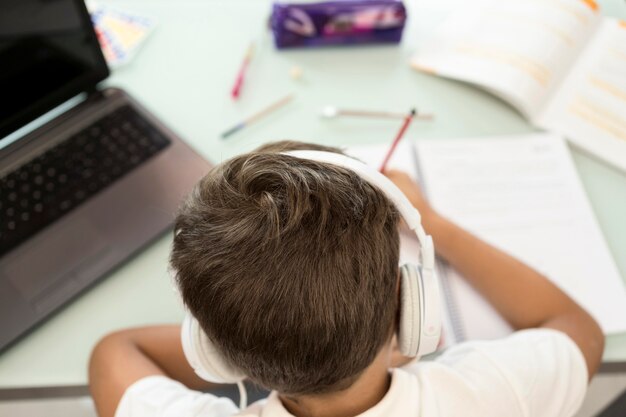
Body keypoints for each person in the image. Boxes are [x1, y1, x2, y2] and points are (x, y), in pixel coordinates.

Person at [89, 141, 604, 417]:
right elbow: (576, 327)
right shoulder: (493, 395)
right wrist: (433, 221)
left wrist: (254, 341)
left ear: (211, 351)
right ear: (410, 315)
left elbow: (115, 351)